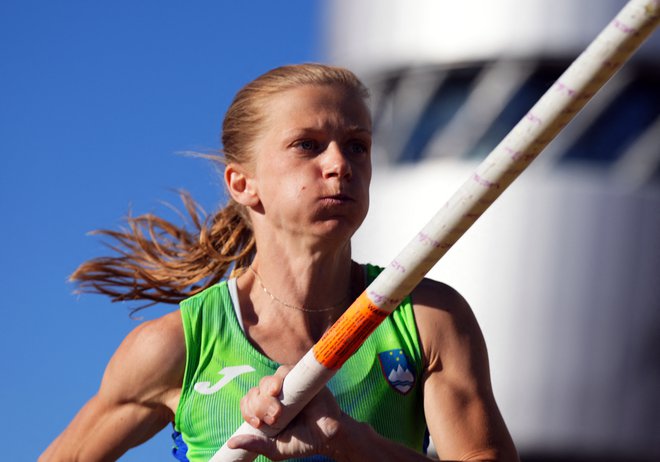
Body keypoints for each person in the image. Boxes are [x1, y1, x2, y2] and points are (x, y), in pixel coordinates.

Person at [40, 63, 519, 462]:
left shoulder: (426, 319)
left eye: (357, 145)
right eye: (307, 145)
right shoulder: (176, 347)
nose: (340, 165)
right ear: (243, 184)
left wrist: (351, 443)